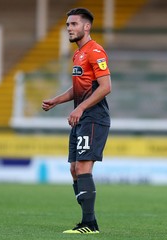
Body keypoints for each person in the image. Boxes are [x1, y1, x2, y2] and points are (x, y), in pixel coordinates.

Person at [42, 7, 112, 234]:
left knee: (83, 167)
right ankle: (87, 221)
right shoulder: (78, 54)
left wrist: (80, 108)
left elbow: (106, 87)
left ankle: (90, 224)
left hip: (93, 117)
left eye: (73, 24)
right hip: (82, 117)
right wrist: (56, 100)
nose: (69, 29)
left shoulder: (95, 51)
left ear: (86, 26)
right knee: (74, 169)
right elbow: (78, 88)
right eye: (68, 25)